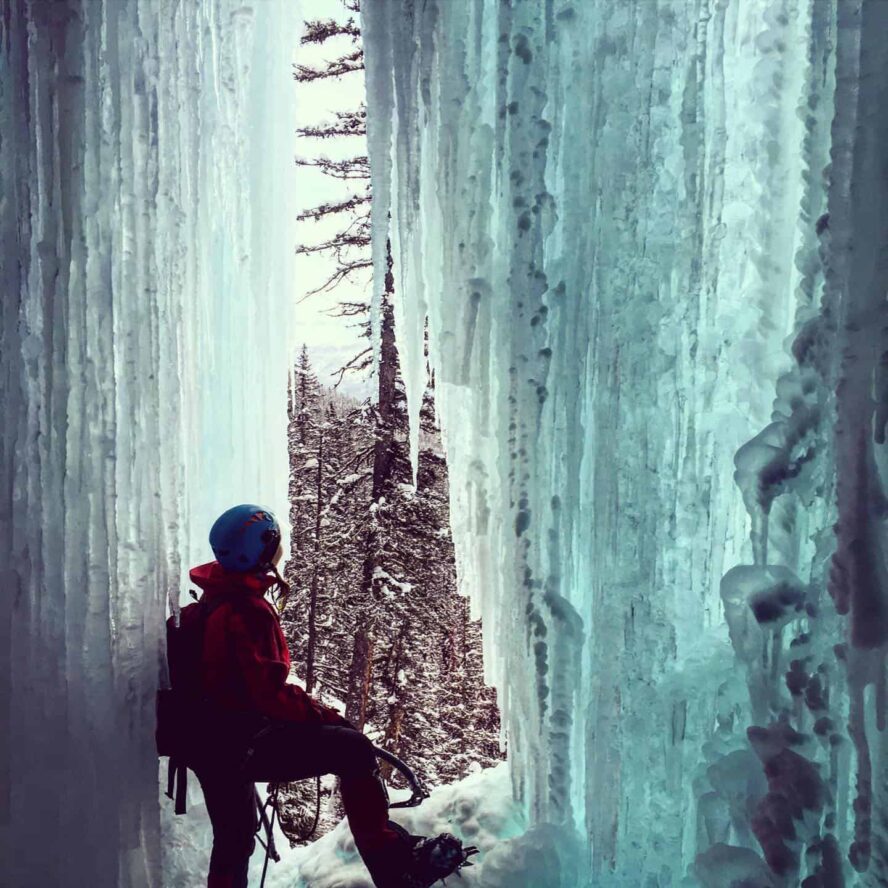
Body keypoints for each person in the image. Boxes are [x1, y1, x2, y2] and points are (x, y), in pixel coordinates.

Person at [190, 504, 413, 888]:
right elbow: (269, 694)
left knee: (234, 837)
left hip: (209, 741)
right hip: (240, 741)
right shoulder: (246, 610)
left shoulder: (216, 597)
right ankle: (394, 866)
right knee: (353, 749)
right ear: (260, 550)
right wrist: (326, 716)